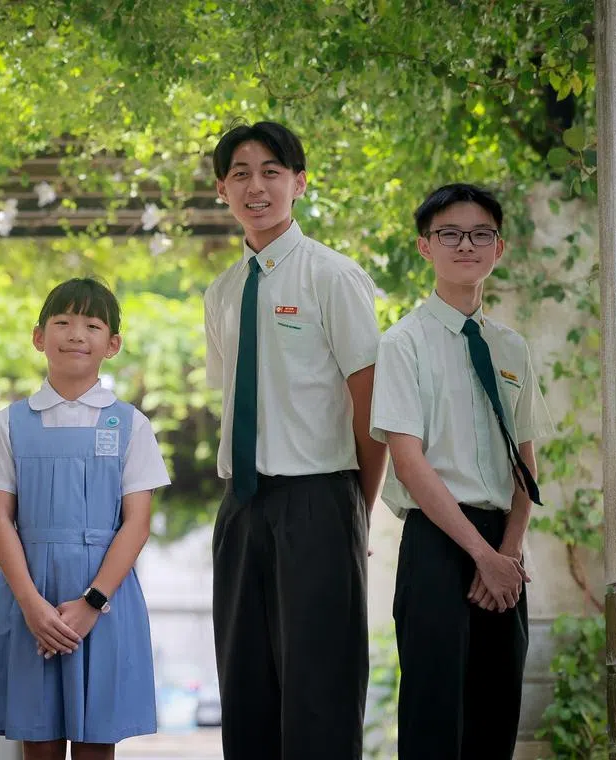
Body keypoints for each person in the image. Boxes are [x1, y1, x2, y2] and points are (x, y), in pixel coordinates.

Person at [204, 120, 387, 759]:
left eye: (271, 172)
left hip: (320, 501)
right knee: (245, 686)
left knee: (321, 691)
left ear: (299, 183)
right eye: (241, 175)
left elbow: (372, 411)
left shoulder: (333, 277)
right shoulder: (222, 292)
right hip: (241, 508)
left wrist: (354, 514)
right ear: (222, 189)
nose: (256, 187)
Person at [370, 183, 554, 759]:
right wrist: (481, 556)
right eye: (449, 233)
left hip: (504, 546)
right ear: (426, 248)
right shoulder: (404, 343)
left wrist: (509, 551)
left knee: (496, 715)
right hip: (438, 543)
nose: (465, 245)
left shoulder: (512, 346)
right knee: (434, 716)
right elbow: (408, 459)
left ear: (498, 249)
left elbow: (526, 459)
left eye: (480, 234)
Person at [0, 278, 170, 760]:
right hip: (29, 598)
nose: (76, 334)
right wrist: (32, 606)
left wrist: (92, 602)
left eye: (92, 325)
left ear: (112, 344)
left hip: (105, 601)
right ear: (39, 337)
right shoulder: (9, 423)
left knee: (98, 743)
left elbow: (136, 524)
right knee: (37, 741)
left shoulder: (131, 425)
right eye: (63, 322)